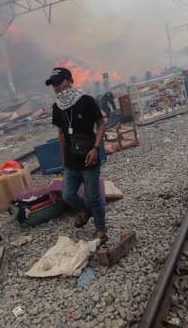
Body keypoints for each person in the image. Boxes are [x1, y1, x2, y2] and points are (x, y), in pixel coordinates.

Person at [47, 67, 108, 244]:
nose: (57, 87)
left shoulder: (86, 101)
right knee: (68, 195)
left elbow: (101, 124)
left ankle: (100, 229)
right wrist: (64, 158)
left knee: (93, 196)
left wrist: (96, 148)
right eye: (53, 85)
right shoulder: (57, 108)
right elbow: (60, 133)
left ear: (70, 80)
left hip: (89, 158)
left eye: (59, 82)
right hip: (71, 162)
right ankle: (87, 210)